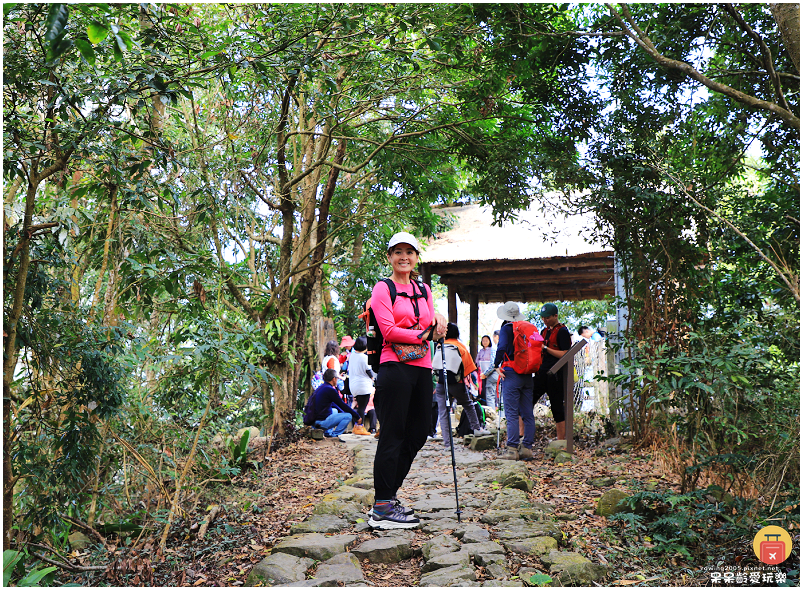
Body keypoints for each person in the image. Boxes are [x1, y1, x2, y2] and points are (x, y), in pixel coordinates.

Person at [368, 231, 447, 529]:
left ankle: (388, 496)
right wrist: (423, 333)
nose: (404, 256)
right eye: (397, 251)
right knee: (393, 433)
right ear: (389, 257)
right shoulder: (382, 288)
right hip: (394, 366)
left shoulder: (424, 289)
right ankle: (383, 504)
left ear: (416, 257)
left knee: (418, 433)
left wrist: (438, 323)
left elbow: (431, 323)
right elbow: (388, 331)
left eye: (409, 252)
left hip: (422, 367)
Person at [434, 323, 490, 446]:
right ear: (457, 333)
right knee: (468, 405)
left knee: (443, 412)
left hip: (441, 383)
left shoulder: (440, 345)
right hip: (456, 382)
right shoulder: (460, 347)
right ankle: (477, 429)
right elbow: (470, 369)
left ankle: (447, 442)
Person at [493, 302, 535, 461]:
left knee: (511, 414)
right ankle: (527, 449)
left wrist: (496, 365)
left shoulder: (506, 328)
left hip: (511, 372)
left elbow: (502, 347)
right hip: (527, 373)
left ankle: (512, 450)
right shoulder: (527, 328)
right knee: (527, 413)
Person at [534, 303, 573, 440]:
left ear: (555, 316)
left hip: (556, 373)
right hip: (541, 372)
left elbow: (566, 354)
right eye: (543, 318)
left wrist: (546, 349)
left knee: (557, 406)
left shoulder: (562, 331)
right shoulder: (544, 331)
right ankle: (522, 436)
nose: (545, 320)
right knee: (528, 400)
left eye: (548, 317)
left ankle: (561, 440)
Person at [308, 369, 362, 438]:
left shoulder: (321, 388)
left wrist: (342, 413)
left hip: (313, 422)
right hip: (320, 423)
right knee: (348, 416)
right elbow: (342, 405)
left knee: (334, 410)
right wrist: (357, 416)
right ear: (334, 379)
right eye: (337, 378)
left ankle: (328, 433)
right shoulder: (330, 390)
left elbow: (335, 405)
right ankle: (334, 436)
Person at [348, 336, 376, 423]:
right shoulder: (364, 358)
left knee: (360, 406)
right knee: (362, 408)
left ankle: (357, 427)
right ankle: (360, 426)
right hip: (363, 387)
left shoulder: (352, 356)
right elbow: (369, 371)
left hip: (353, 387)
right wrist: (374, 379)